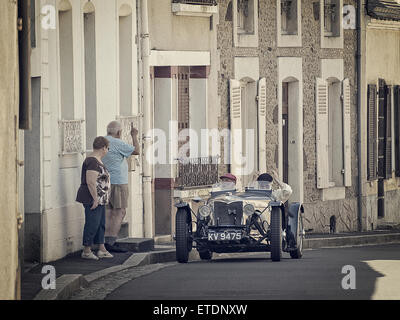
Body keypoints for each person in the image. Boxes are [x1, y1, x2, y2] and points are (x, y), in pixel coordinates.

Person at [102, 121, 140, 253]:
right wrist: (134, 135)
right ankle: (110, 243)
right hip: (118, 182)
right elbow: (136, 150)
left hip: (105, 182)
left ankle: (104, 242)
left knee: (108, 212)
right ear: (119, 132)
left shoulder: (102, 141)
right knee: (120, 212)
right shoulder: (117, 143)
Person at [76, 136, 113, 260]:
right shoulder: (92, 161)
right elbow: (90, 181)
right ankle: (86, 250)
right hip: (92, 198)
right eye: (108, 148)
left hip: (100, 199)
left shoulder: (97, 160)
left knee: (100, 223)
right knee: (93, 223)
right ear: (103, 148)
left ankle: (101, 249)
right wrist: (95, 199)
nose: (107, 151)